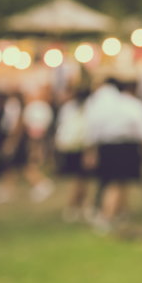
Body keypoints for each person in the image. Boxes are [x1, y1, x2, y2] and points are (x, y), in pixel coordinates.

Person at [85, 78, 142, 232]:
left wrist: (91, 150)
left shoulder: (98, 104)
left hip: (106, 145)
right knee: (117, 182)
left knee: (115, 181)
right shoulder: (131, 104)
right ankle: (106, 216)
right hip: (126, 146)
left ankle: (119, 212)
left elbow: (92, 128)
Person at [54, 88, 91, 221]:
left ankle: (78, 206)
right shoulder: (89, 108)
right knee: (80, 179)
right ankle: (75, 206)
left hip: (69, 146)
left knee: (79, 179)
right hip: (81, 146)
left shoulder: (68, 108)